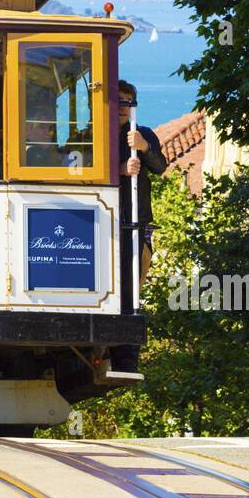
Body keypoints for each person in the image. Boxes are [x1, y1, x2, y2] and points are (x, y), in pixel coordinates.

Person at [112, 79, 167, 372]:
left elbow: (160, 167)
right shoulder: (95, 135)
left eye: (128, 101)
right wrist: (119, 170)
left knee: (132, 289)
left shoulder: (142, 135)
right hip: (104, 224)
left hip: (137, 223)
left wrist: (144, 148)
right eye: (118, 100)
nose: (123, 107)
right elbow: (78, 169)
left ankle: (127, 358)